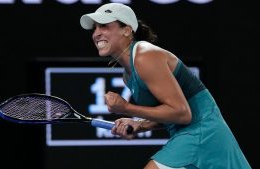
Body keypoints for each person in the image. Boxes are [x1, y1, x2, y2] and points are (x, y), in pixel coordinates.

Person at [80, 3, 251, 169]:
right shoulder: (128, 74)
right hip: (193, 135)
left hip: (202, 135)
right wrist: (141, 125)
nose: (96, 33)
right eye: (94, 28)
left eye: (104, 26)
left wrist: (127, 107)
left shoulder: (144, 56)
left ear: (127, 30)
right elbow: (171, 114)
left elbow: (182, 113)